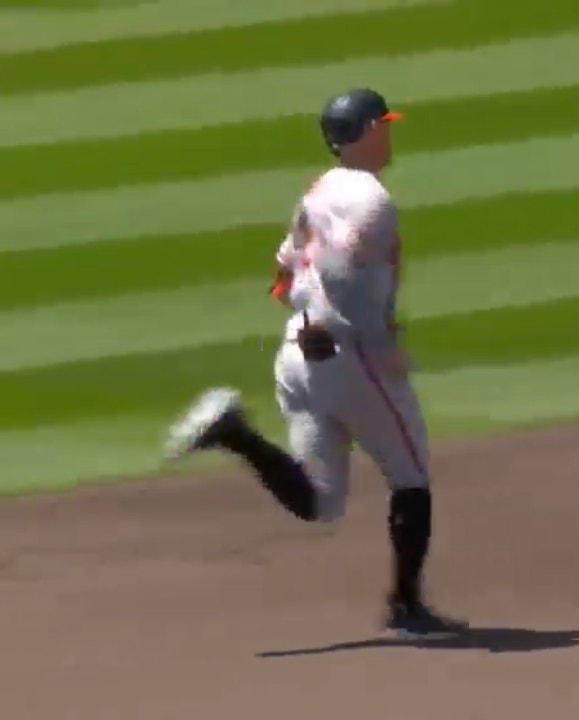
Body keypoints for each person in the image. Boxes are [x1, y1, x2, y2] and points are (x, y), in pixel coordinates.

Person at [164, 87, 466, 638]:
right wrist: (370, 336)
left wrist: (310, 314)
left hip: (297, 356)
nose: (390, 132)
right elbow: (344, 268)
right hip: (348, 353)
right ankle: (406, 608)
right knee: (411, 476)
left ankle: (235, 433)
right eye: (384, 125)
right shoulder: (373, 201)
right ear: (368, 132)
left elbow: (286, 264)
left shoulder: (321, 188)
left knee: (321, 502)